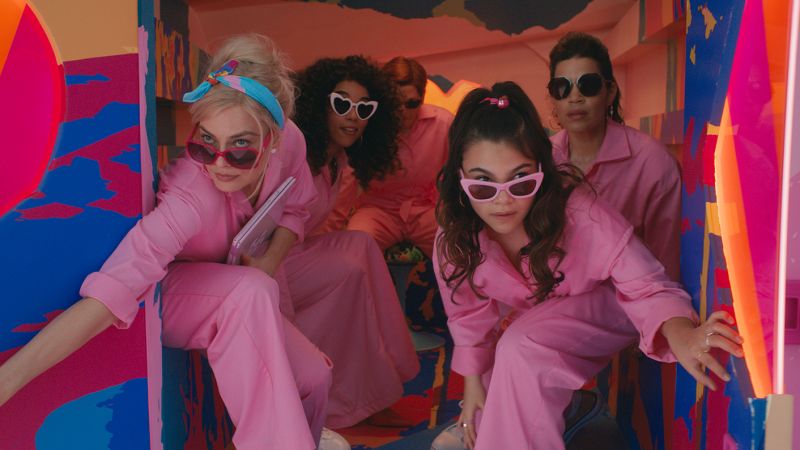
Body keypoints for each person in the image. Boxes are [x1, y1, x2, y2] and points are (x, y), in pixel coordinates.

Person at [0, 34, 343, 450]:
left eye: (240, 148)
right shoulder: (189, 198)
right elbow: (113, 290)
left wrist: (270, 259)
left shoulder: (292, 142)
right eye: (205, 143)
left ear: (274, 139)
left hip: (240, 287)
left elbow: (295, 208)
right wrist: (7, 379)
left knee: (314, 377)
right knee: (250, 291)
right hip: (169, 293)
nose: (219, 164)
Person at [432, 82, 743, 450]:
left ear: (542, 173)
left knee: (521, 346)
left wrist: (683, 334)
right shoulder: (455, 237)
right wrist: (473, 385)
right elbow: (468, 314)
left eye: (520, 181)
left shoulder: (582, 214)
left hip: (611, 304)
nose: (502, 201)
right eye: (483, 185)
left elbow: (646, 284)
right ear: (461, 179)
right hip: (541, 315)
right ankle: (563, 409)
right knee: (496, 382)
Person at [287, 55, 419, 428]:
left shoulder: (337, 160)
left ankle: (392, 367)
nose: (353, 116)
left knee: (361, 245)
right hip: (270, 265)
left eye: (364, 108)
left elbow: (325, 227)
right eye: (342, 104)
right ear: (319, 105)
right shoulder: (298, 156)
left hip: (296, 254)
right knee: (349, 268)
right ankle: (353, 397)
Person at [548, 32, 681, 280]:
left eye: (588, 85)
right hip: (561, 294)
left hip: (632, 298)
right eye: (562, 87)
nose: (575, 98)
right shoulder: (543, 158)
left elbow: (668, 265)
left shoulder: (653, 162)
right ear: (553, 99)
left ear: (609, 92)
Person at [343, 56, 453, 257]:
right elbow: (346, 179)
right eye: (395, 103)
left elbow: (459, 173)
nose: (402, 111)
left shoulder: (443, 123)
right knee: (354, 250)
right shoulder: (367, 126)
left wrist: (448, 206)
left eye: (411, 103)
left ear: (422, 98)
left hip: (427, 209)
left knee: (457, 248)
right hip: (377, 210)